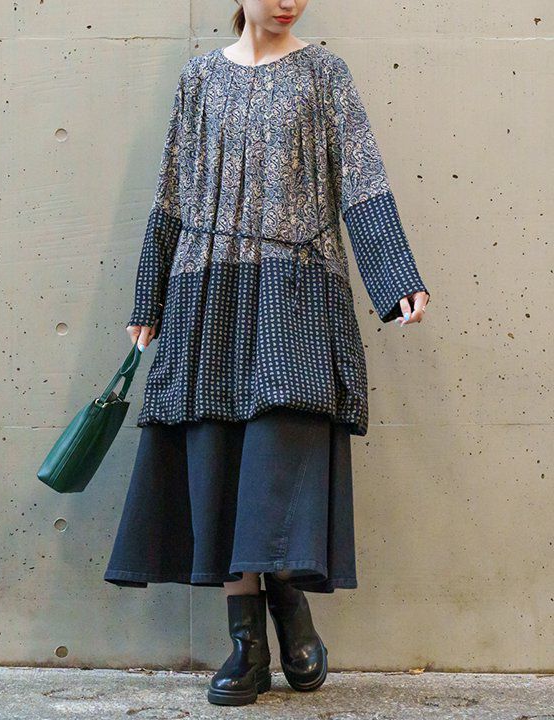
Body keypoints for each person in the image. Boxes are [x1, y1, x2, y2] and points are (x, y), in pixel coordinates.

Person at [104, 0, 431, 707]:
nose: (289, 0)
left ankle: (290, 602)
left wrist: (395, 276)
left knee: (277, 458)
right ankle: (247, 644)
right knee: (218, 460)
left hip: (296, 283)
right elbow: (170, 193)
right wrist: (148, 297)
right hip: (208, 283)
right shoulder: (198, 79)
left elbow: (362, 180)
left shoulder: (325, 74)